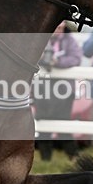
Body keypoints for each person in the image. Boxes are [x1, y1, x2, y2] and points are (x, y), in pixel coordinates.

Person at [34, 21, 83, 160]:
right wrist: (43, 58)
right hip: (42, 88)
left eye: (61, 27)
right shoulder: (40, 39)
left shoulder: (69, 40)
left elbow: (76, 58)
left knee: (63, 121)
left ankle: (73, 156)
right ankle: (45, 158)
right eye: (57, 26)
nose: (59, 29)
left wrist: (57, 62)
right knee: (43, 121)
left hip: (64, 89)